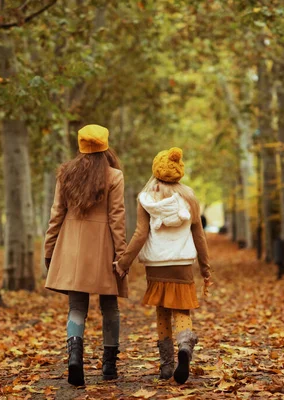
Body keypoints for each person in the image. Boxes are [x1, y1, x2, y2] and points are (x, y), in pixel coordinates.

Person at [114, 147, 212, 384]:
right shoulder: (189, 199)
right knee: (181, 310)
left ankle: (166, 366)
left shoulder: (147, 199)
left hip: (156, 265)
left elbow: (139, 234)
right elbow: (199, 236)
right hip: (182, 264)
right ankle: (185, 345)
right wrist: (205, 268)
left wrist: (123, 263)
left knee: (162, 312)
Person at [43, 124, 127, 386]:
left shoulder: (66, 174)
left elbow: (56, 214)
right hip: (104, 248)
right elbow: (117, 219)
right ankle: (109, 367)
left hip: (71, 246)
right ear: (105, 145)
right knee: (109, 306)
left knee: (77, 307)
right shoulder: (114, 176)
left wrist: (49, 249)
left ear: (80, 146)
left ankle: (74, 358)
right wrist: (122, 255)